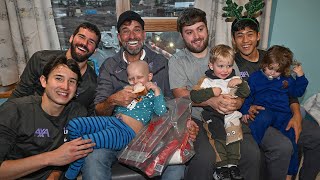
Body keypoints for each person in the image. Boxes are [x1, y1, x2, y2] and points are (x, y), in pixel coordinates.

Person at [81, 10, 194, 180]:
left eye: (137, 30)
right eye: (126, 31)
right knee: (93, 158)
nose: (132, 35)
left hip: (153, 135)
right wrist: (113, 100)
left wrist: (185, 123)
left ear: (144, 34)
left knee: (176, 166)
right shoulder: (110, 66)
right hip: (117, 133)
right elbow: (99, 109)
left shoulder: (161, 63)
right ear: (119, 37)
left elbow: (172, 103)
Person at [169, 8, 261, 180]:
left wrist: (237, 103)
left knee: (251, 154)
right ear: (182, 36)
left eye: (200, 29)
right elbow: (180, 94)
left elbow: (240, 88)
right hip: (195, 118)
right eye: (189, 32)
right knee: (204, 158)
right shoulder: (177, 61)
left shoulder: (223, 55)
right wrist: (212, 101)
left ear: (207, 29)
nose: (196, 36)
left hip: (230, 115)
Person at [231, 16, 320, 180]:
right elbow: (240, 95)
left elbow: (293, 91)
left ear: (258, 36)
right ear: (234, 39)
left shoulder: (273, 56)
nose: (245, 40)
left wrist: (297, 115)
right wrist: (245, 108)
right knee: (283, 145)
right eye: (239, 35)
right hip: (258, 115)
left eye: (250, 34)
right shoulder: (232, 64)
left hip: (283, 113)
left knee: (316, 135)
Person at [65, 61, 167, 179]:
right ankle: (78, 161)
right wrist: (121, 97)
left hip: (126, 133)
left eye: (139, 77)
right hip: (112, 121)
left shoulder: (152, 94)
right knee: (74, 125)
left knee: (85, 141)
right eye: (131, 78)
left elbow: (161, 113)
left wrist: (157, 91)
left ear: (149, 77)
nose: (135, 81)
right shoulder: (127, 91)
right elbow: (116, 109)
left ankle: (74, 168)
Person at [0, 56, 95, 179]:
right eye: (59, 78)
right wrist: (51, 158)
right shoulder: (14, 111)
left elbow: (71, 156)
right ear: (44, 81)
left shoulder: (78, 113)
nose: (65, 87)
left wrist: (55, 174)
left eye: (72, 81)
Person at [240, 45, 308, 179]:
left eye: (277, 71)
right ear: (264, 63)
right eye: (270, 68)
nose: (272, 73)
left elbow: (297, 92)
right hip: (264, 111)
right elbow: (247, 95)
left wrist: (301, 76)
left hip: (283, 114)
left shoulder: (286, 79)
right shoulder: (255, 78)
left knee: (293, 140)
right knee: (262, 119)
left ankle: (290, 173)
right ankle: (252, 147)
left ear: (283, 71)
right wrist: (245, 110)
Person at [9, 22, 101, 115]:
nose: (84, 43)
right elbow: (19, 95)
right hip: (29, 118)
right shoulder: (40, 60)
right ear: (71, 38)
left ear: (95, 50)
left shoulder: (93, 85)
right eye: (81, 37)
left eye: (91, 42)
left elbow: (88, 118)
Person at [190, 44, 250, 180]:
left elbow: (246, 93)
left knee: (234, 138)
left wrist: (240, 84)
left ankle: (233, 165)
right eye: (221, 66)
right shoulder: (207, 81)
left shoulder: (233, 79)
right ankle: (221, 166)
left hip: (232, 115)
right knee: (219, 137)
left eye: (229, 66)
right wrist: (211, 92)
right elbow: (194, 96)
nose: (225, 70)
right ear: (211, 66)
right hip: (213, 115)